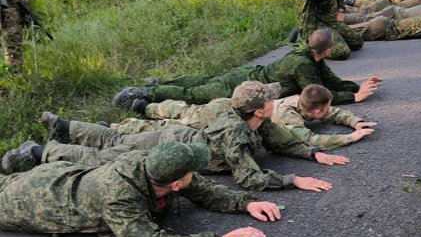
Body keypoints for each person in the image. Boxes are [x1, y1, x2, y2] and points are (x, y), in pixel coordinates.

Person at [28, 82, 348, 192]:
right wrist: (294, 180)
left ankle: (65, 127)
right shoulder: (237, 133)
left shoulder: (251, 118)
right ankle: (43, 150)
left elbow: (280, 139)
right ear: (260, 110)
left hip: (180, 135)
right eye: (268, 101)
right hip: (173, 145)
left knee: (115, 141)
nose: (273, 102)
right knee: (113, 152)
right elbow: (248, 178)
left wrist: (313, 154)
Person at [0, 140, 280, 237]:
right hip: (30, 200)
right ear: (174, 184)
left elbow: (202, 189)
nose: (194, 175)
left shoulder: (154, 166)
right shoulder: (121, 200)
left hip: (62, 175)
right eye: (190, 172)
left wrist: (245, 203)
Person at [113, 29, 381, 108]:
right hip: (242, 86)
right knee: (196, 94)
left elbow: (329, 80)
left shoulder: (308, 56)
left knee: (202, 81)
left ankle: (155, 84)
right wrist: (353, 98)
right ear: (326, 49)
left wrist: (357, 86)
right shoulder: (303, 65)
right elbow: (312, 94)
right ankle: (145, 93)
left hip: (248, 76)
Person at [111, 84, 377, 152]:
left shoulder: (306, 102)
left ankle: (141, 109)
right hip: (217, 115)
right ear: (314, 111)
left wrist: (354, 122)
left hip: (234, 108)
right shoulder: (288, 115)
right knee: (178, 118)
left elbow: (335, 112)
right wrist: (350, 138)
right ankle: (133, 117)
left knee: (182, 110)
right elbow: (311, 139)